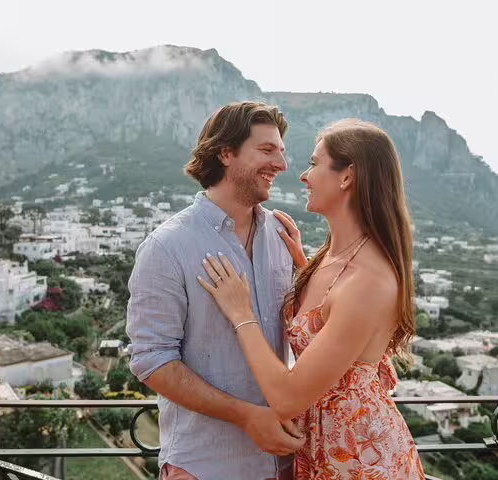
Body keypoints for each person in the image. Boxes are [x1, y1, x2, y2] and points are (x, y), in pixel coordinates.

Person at [199, 119, 425, 479]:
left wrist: (241, 312)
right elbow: (329, 319)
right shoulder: (334, 258)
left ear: (347, 176)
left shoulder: (367, 280)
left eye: (314, 163)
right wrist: (306, 270)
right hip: (326, 450)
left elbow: (288, 398)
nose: (303, 175)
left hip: (359, 460)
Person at [126, 101, 305, 480]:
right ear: (226, 152)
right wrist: (246, 416)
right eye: (267, 150)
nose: (282, 165)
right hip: (206, 466)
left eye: (282, 152)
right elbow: (151, 360)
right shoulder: (167, 247)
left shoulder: (282, 235)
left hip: (286, 465)